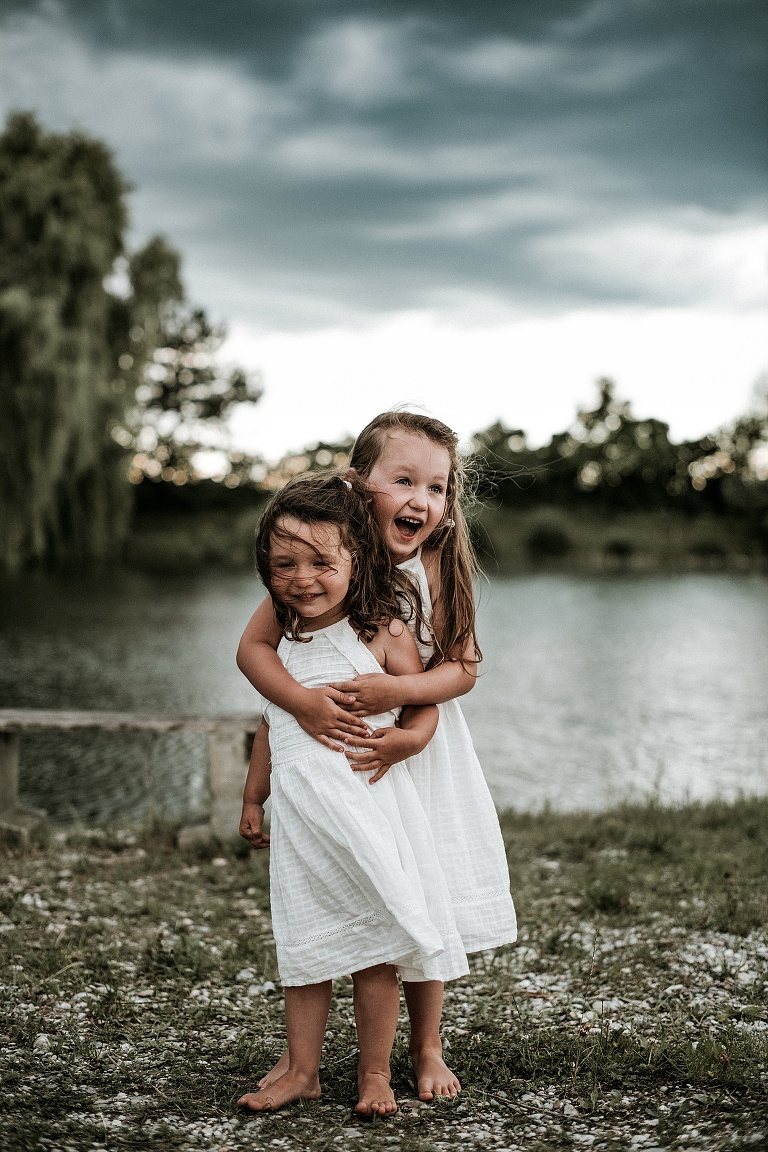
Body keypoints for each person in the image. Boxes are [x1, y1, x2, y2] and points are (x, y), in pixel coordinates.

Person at [237, 410, 517, 1103]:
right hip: (353, 764)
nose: (423, 500)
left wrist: (408, 714)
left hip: (420, 751)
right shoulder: (320, 562)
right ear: (361, 484)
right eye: (404, 480)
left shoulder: (435, 568)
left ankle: (426, 1048)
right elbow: (255, 650)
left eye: (439, 487)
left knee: (426, 893)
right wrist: (301, 704)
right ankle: (307, 1058)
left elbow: (460, 670)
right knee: (362, 891)